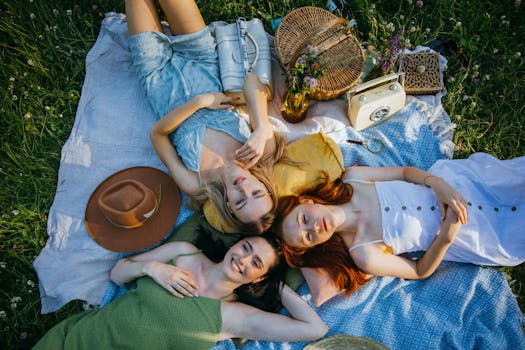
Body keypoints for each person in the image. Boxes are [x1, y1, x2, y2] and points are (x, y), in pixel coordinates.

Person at [126, 0, 286, 234]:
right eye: (256, 192)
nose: (243, 190)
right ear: (265, 186)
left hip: (156, 75)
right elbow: (252, 80)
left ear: (229, 207)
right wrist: (262, 128)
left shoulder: (196, 184)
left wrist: (199, 103)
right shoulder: (263, 150)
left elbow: (157, 134)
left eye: (240, 201)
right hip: (200, 57)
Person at [33, 235, 328, 349]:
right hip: (77, 341)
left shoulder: (234, 315)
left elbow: (314, 329)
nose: (243, 259)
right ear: (234, 244)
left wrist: (276, 284)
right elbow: (118, 273)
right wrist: (151, 268)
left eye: (256, 263)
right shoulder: (184, 253)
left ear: (259, 277)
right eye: (245, 248)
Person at [274, 152, 525, 281]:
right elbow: (419, 270)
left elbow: (404, 173)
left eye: (304, 219)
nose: (314, 229)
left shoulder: (354, 178)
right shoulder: (363, 254)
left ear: (307, 201)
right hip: (470, 233)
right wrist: (447, 238)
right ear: (316, 245)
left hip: (458, 185)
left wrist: (437, 184)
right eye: (308, 237)